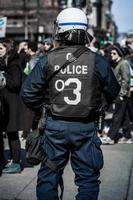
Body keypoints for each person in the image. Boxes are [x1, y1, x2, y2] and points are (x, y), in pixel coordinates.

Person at [21, 8, 120, 200]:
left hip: (54, 126)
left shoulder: (47, 59)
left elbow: (28, 93)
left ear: (59, 30)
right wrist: (97, 104)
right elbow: (113, 91)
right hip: (85, 126)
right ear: (85, 31)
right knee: (88, 179)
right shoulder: (97, 60)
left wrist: (44, 107)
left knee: (49, 175)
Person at [102, 45, 133, 144]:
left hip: (122, 94)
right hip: (120, 94)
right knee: (124, 116)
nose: (112, 55)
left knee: (117, 116)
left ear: (119, 53)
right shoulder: (117, 63)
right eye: (111, 53)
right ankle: (127, 136)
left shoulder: (123, 63)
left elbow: (126, 80)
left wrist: (122, 94)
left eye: (114, 53)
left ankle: (111, 137)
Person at [0, 38, 22, 174]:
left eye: (0, 48)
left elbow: (16, 83)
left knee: (12, 133)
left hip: (12, 102)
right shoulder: (2, 63)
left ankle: (16, 163)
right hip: (3, 103)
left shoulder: (14, 63)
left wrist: (3, 76)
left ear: (7, 48)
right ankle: (2, 160)